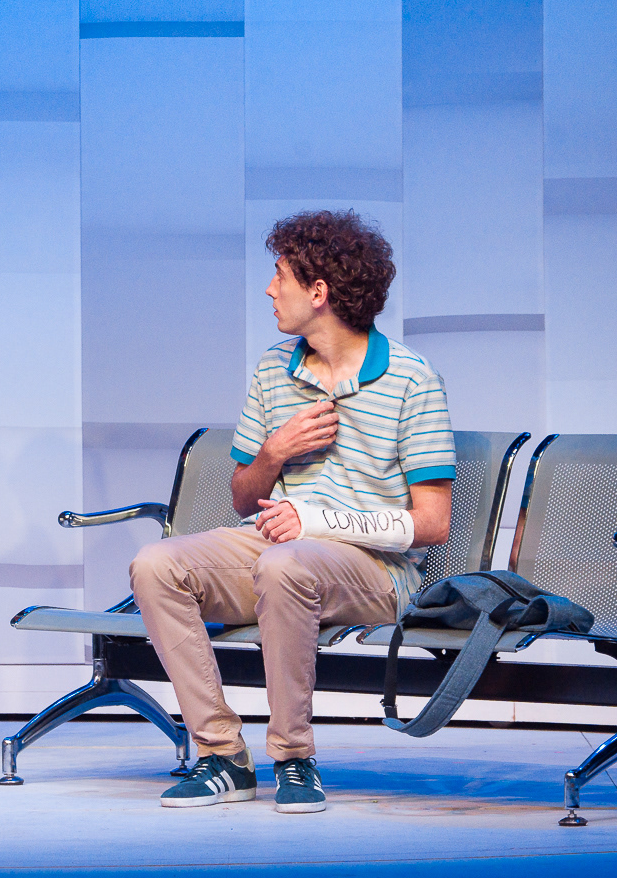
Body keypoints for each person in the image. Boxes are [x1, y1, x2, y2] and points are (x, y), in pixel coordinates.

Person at [129, 210, 454, 813]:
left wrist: (315, 521)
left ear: (318, 291)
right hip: (278, 546)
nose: (270, 289)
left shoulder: (411, 379)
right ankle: (222, 756)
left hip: (376, 569)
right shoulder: (273, 369)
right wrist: (274, 452)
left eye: (280, 276)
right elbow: (243, 498)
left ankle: (294, 758)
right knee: (156, 565)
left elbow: (433, 524)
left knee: (287, 566)